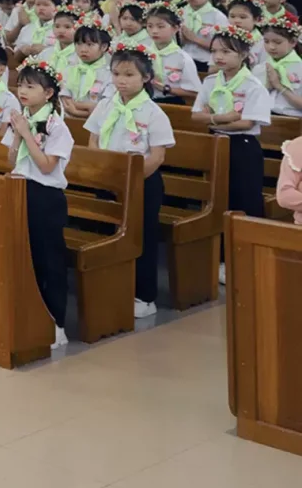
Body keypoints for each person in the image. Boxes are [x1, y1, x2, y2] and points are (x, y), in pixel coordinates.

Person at [85, 47, 174, 319]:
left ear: (146, 77)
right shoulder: (105, 104)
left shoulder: (153, 113)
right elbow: (93, 140)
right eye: (116, 74)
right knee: (107, 233)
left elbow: (157, 156)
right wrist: (104, 172)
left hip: (141, 182)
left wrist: (130, 180)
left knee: (141, 237)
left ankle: (144, 296)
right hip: (108, 180)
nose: (121, 80)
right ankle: (111, 285)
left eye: (129, 75)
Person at [6, 62, 72, 350]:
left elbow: (46, 166)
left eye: (30, 86)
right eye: (21, 85)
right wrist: (17, 134)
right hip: (20, 189)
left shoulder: (57, 126)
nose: (23, 91)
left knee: (50, 261)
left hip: (46, 197)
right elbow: (11, 161)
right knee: (27, 257)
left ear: (48, 93)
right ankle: (31, 316)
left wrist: (25, 134)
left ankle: (57, 323)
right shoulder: (22, 119)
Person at [192, 27, 272, 223]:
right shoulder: (210, 82)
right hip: (214, 141)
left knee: (244, 200)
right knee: (218, 196)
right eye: (214, 51)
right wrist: (224, 118)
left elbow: (246, 123)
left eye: (226, 51)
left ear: (243, 54)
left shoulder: (253, 85)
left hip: (242, 146)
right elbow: (196, 116)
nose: (218, 57)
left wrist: (212, 119)